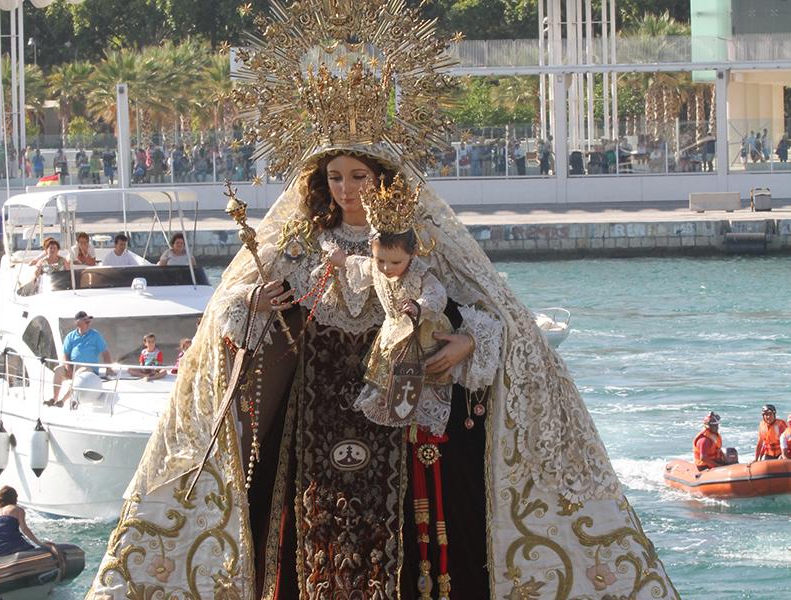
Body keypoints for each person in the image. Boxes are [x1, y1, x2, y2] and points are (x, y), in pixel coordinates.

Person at [88, 3, 678, 598]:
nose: (346, 190)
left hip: (402, 426)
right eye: (336, 177)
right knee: (313, 543)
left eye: (358, 177)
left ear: (383, 179)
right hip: (313, 422)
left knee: (411, 551)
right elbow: (231, 312)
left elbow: (498, 316)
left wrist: (470, 338)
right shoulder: (297, 242)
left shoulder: (422, 244)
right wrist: (256, 304)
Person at [328, 175, 462, 437]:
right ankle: (396, 414)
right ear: (373, 251)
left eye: (395, 263)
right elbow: (358, 265)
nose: (387, 269)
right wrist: (341, 260)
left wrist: (420, 306)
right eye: (381, 261)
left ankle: (421, 422)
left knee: (423, 380)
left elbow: (437, 294)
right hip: (392, 333)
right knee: (391, 381)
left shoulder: (419, 274)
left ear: (413, 254)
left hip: (421, 332)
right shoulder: (376, 266)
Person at [47, 311, 113, 407]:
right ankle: (54, 398)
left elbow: (105, 352)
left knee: (79, 374)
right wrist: (68, 367)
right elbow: (66, 354)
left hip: (88, 369)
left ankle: (63, 400)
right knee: (58, 370)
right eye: (85, 320)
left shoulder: (95, 335)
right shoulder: (71, 336)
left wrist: (109, 368)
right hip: (73, 367)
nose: (88, 322)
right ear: (78, 323)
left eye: (88, 320)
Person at [0, 486, 47, 557]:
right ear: (14, 497)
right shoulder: (17, 509)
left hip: (0, 550)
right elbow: (24, 529)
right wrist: (39, 543)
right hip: (15, 546)